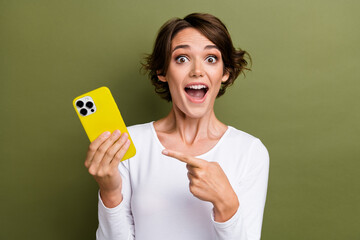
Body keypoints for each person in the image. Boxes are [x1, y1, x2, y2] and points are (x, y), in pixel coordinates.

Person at [84, 13, 269, 240]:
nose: (197, 71)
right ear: (162, 72)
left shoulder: (250, 152)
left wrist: (226, 204)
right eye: (182, 59)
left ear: (225, 73)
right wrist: (110, 192)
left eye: (211, 58)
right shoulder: (127, 143)